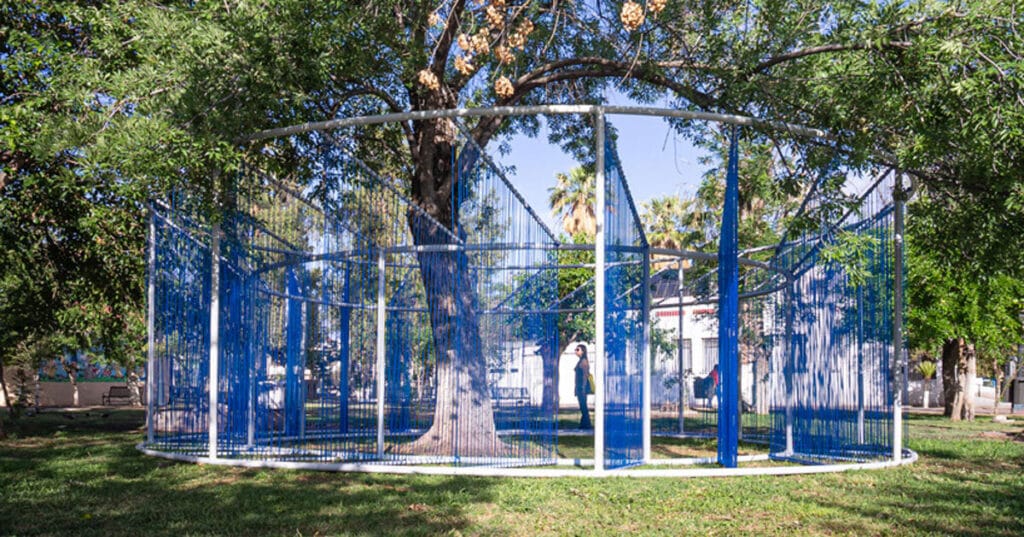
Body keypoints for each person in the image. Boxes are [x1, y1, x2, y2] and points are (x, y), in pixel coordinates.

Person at [573, 344, 593, 429]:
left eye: (577, 349)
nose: (575, 351)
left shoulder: (583, 362)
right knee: (582, 406)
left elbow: (585, 376)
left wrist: (582, 388)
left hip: (582, 388)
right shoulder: (581, 361)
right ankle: (584, 424)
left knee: (583, 406)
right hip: (580, 387)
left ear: (583, 351)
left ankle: (586, 424)